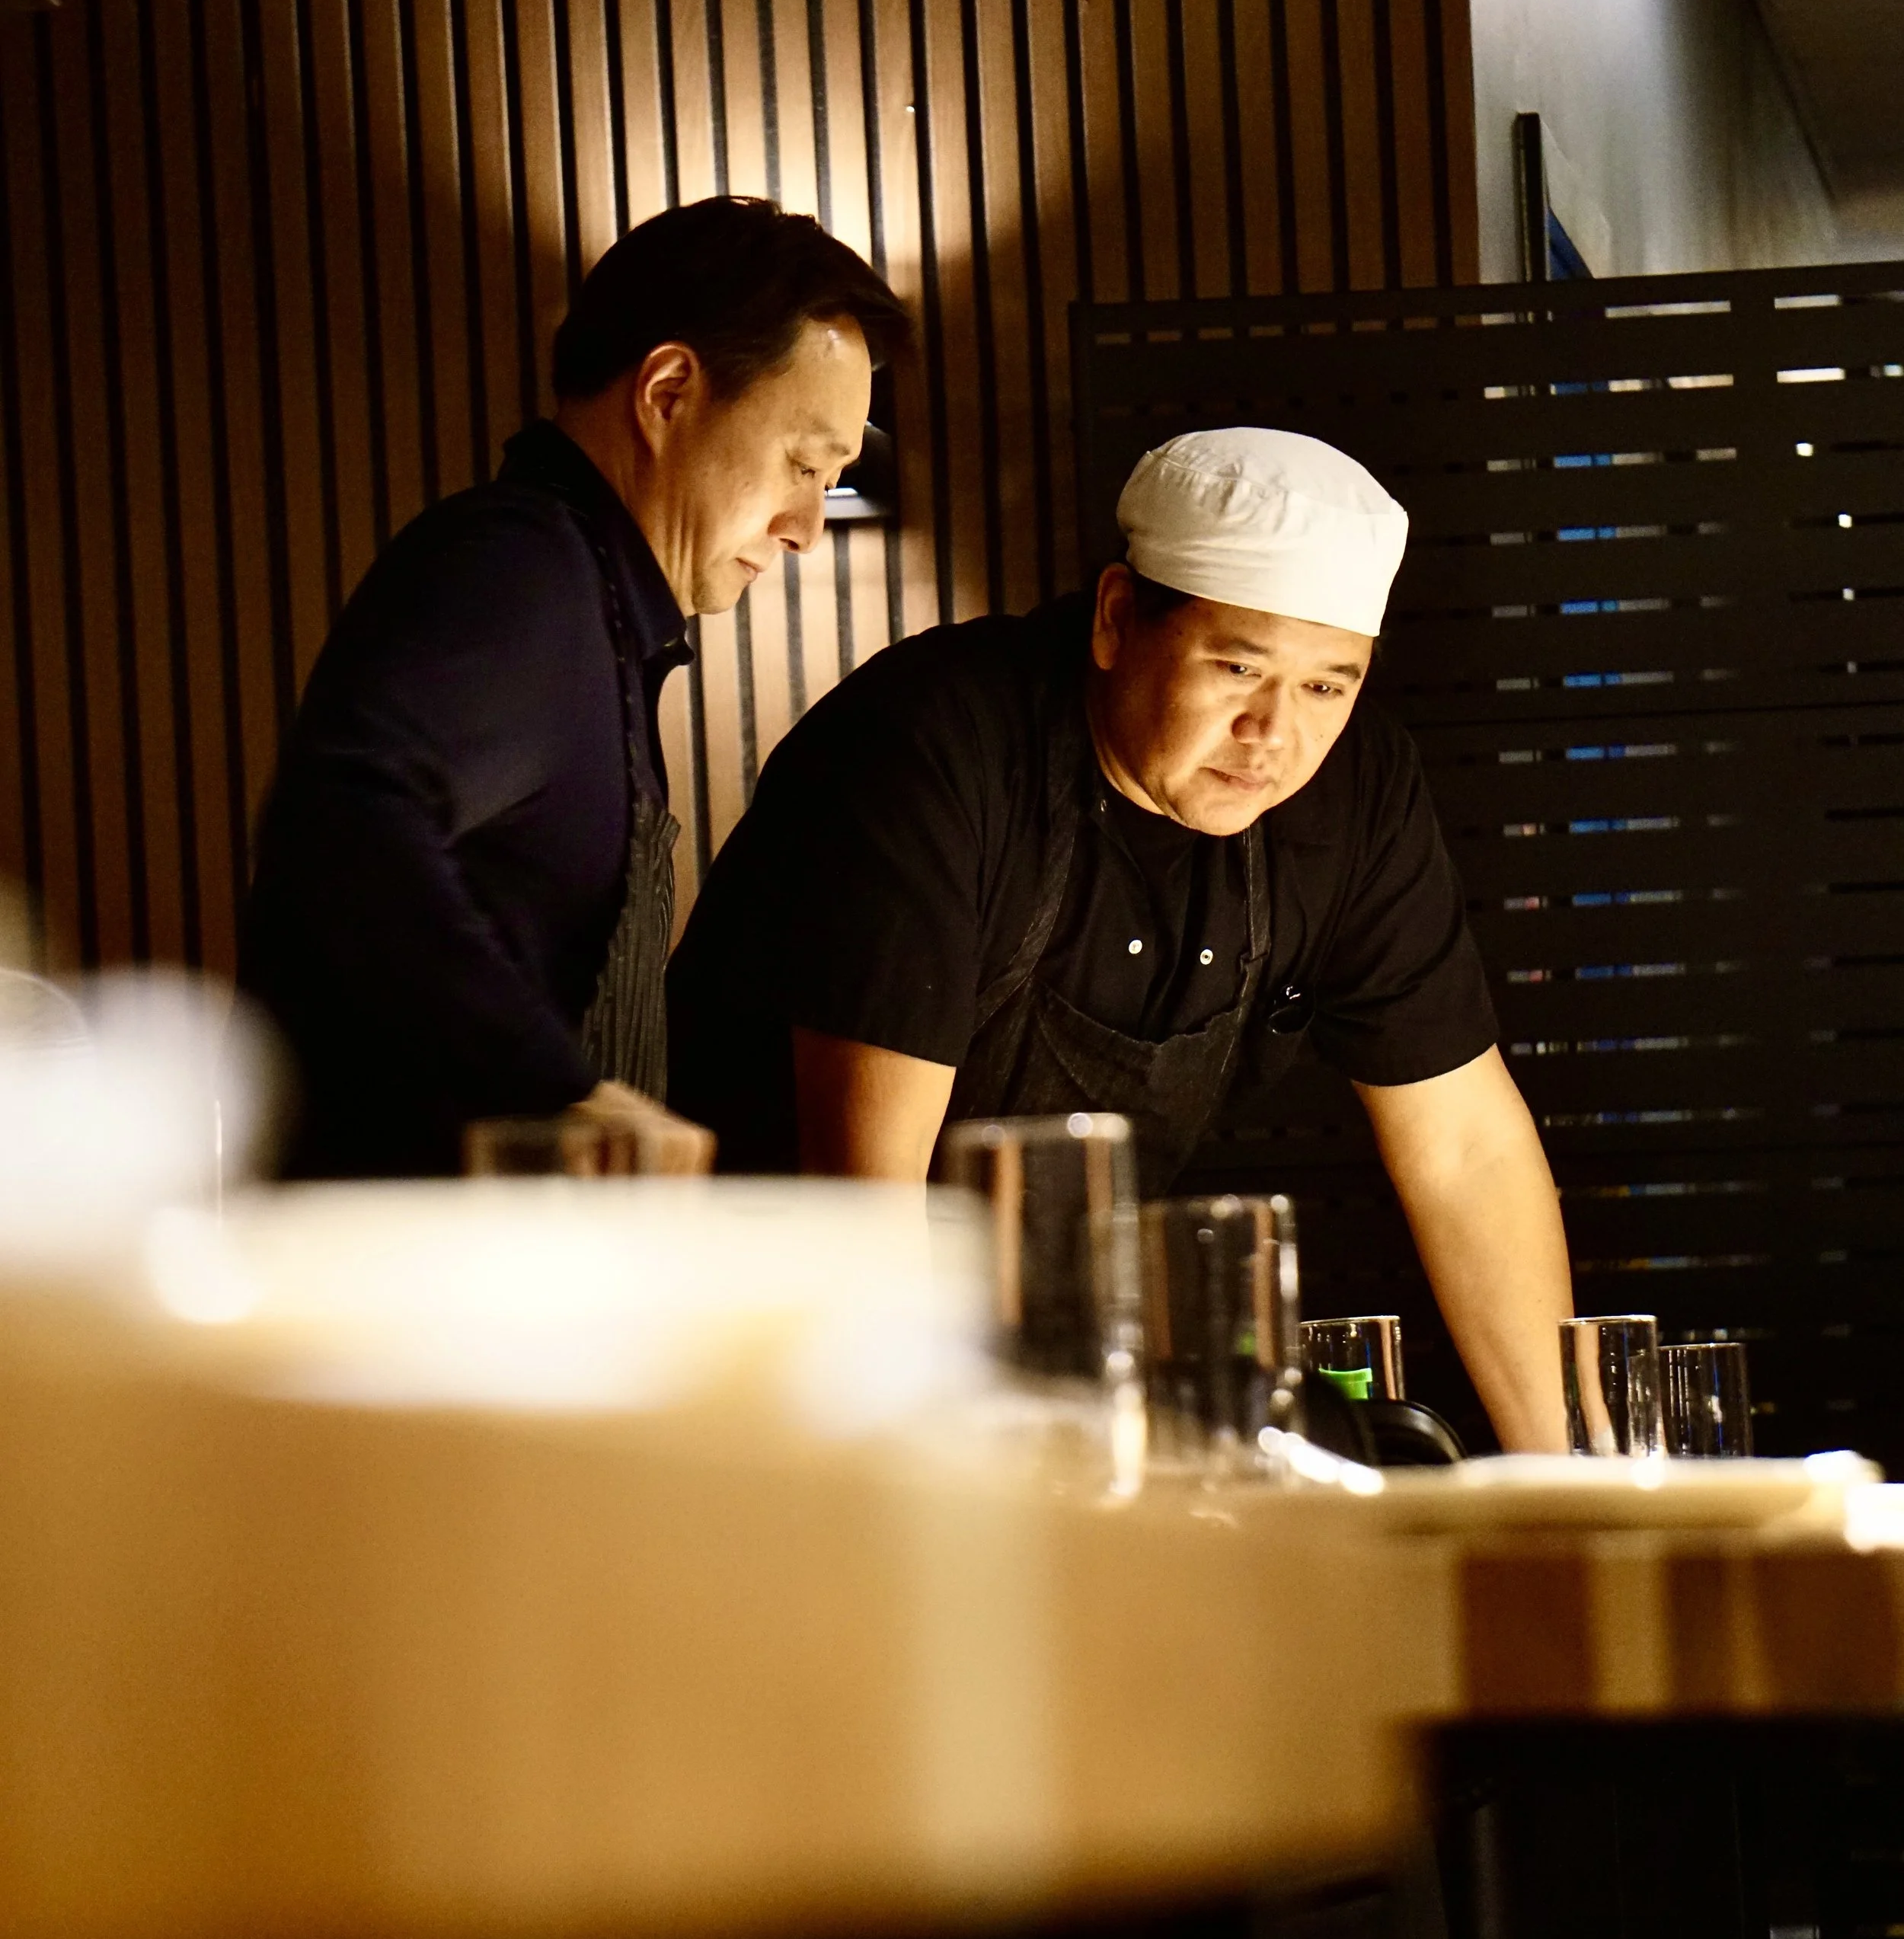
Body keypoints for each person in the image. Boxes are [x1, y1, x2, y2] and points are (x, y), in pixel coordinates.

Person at [667, 427, 1571, 1449]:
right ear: (1113, 618)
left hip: (1043, 1357)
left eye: (1329, 685)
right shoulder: (939, 748)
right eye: (1238, 665)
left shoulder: (1356, 797)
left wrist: (1578, 1483)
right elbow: (870, 1203)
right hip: (746, 1361)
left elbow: (1465, 1148)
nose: (1275, 735)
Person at [239, 196, 909, 1179]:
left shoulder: (595, 602)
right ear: (670, 391)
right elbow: (337, 818)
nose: (807, 524)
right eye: (804, 463)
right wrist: (560, 1092)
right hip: (414, 1293)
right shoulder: (523, 567)